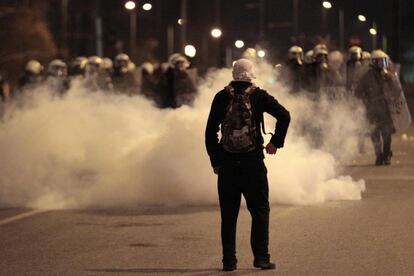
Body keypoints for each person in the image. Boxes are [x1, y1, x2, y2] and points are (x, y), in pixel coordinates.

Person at [205, 58, 290, 271]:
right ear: (252, 73)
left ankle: (229, 261)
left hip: (228, 164)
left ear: (233, 73)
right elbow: (285, 115)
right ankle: (261, 258)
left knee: (229, 214)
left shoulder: (221, 96)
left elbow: (209, 133)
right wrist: (275, 142)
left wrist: (216, 161)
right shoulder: (259, 95)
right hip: (253, 163)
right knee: (260, 210)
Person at [355, 50, 395, 165]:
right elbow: (358, 92)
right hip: (372, 109)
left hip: (386, 108)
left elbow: (395, 90)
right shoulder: (367, 76)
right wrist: (366, 99)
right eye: (380, 61)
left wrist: (389, 78)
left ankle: (386, 155)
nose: (382, 64)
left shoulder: (388, 75)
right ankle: (378, 155)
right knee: (375, 133)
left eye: (384, 61)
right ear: (374, 62)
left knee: (387, 133)